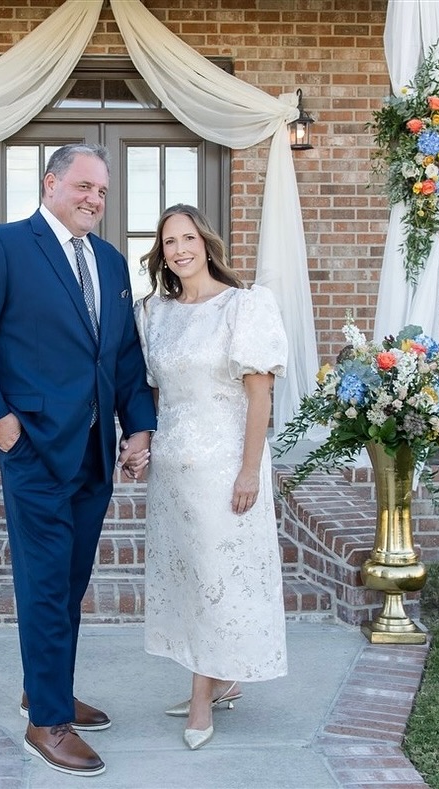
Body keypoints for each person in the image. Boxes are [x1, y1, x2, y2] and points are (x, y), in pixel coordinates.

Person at [0, 143, 156, 778]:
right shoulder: (2, 246)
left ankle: (47, 688)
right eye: (84, 186)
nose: (94, 199)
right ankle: (47, 723)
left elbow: (120, 358)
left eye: (103, 192)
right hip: (31, 450)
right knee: (43, 583)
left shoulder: (110, 262)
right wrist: (2, 428)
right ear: (51, 183)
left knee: (72, 581)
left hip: (93, 455)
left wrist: (138, 427)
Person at [129, 203, 288, 751]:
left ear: (207, 242)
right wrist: (140, 445)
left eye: (187, 238)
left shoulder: (245, 306)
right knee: (190, 580)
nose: (179, 250)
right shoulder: (154, 313)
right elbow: (153, 392)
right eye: (169, 242)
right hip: (174, 474)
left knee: (218, 579)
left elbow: (260, 394)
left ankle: (202, 699)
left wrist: (250, 471)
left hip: (226, 470)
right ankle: (221, 677)